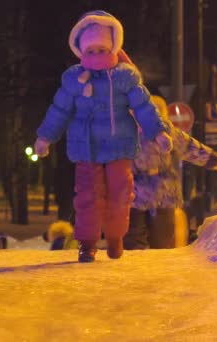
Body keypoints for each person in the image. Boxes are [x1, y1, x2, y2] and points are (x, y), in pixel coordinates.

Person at [34, 10, 172, 262]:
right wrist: (45, 137)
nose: (96, 55)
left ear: (113, 47)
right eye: (91, 50)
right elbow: (59, 110)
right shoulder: (74, 79)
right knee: (88, 196)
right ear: (80, 51)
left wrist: (158, 132)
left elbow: (143, 106)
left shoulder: (124, 77)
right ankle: (86, 243)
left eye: (102, 49)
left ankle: (116, 237)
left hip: (119, 146)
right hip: (87, 148)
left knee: (121, 193)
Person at [124, 96, 217, 249]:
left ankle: (157, 270)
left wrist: (216, 161)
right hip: (134, 195)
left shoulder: (167, 133)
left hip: (161, 195)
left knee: (162, 242)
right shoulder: (125, 134)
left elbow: (190, 148)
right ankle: (135, 269)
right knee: (133, 243)